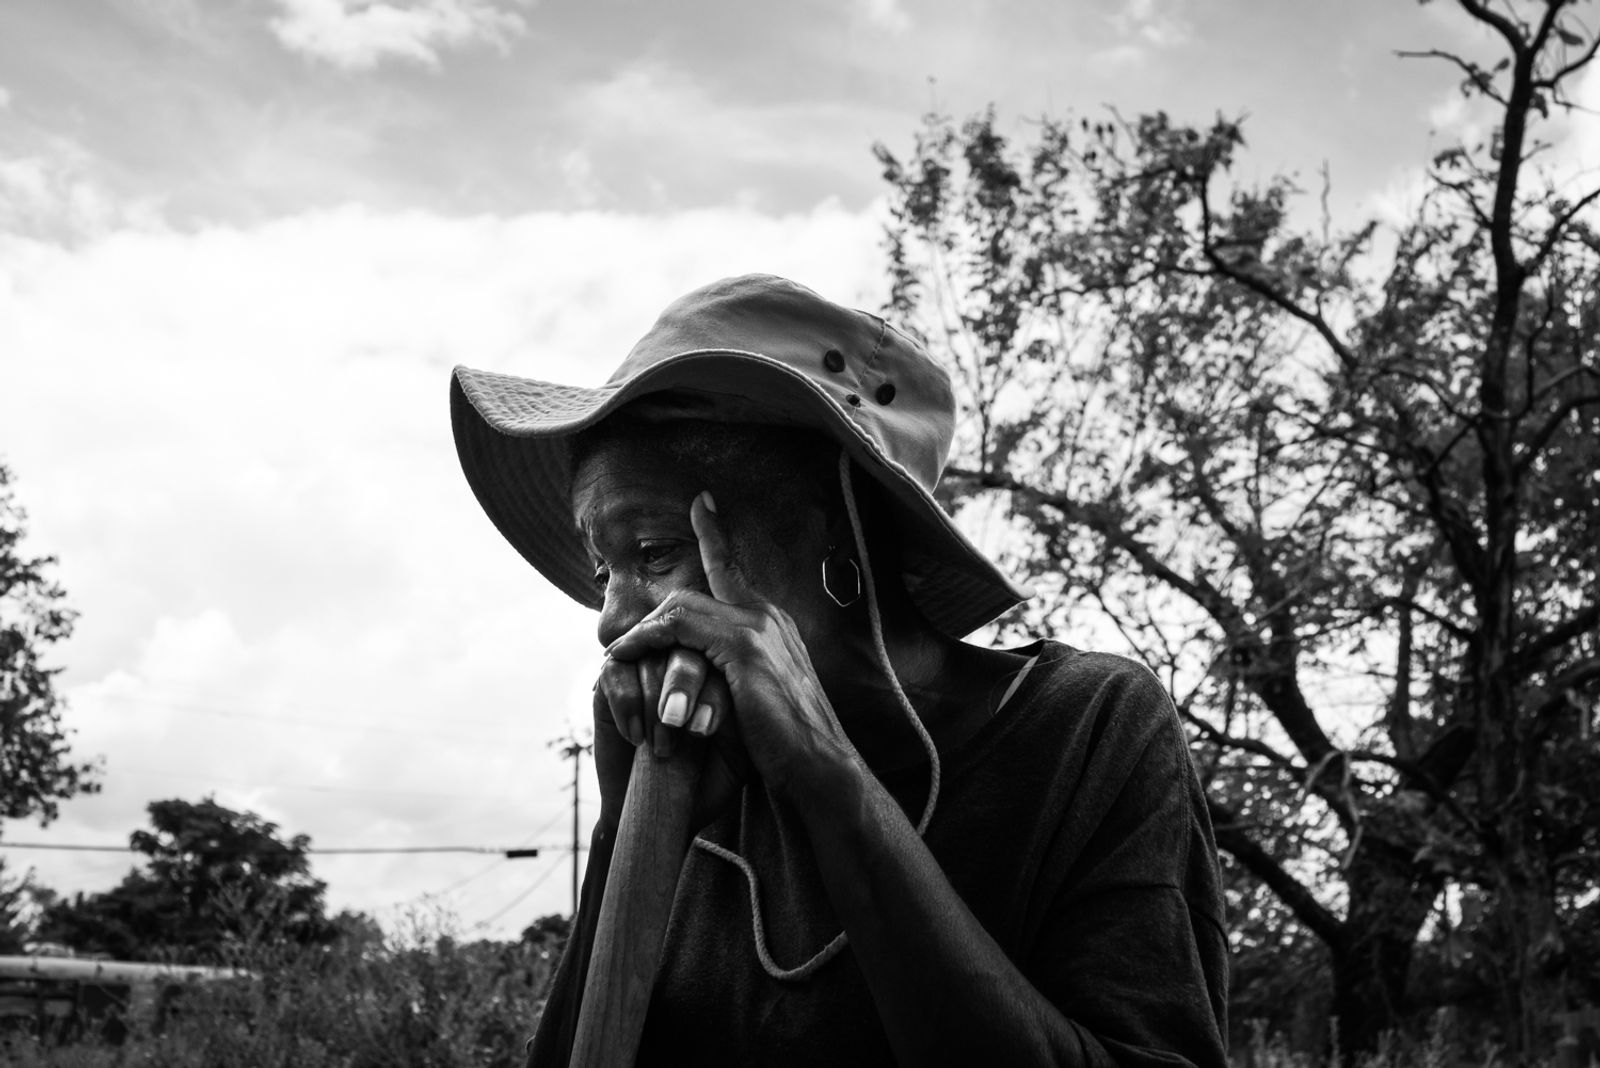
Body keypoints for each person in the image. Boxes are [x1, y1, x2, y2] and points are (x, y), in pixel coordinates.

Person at [450, 274, 1228, 1067]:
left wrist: (826, 777)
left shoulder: (1087, 729)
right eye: (601, 574)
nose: (613, 621)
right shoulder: (693, 775)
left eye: (655, 552)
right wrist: (626, 833)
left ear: (835, 532)